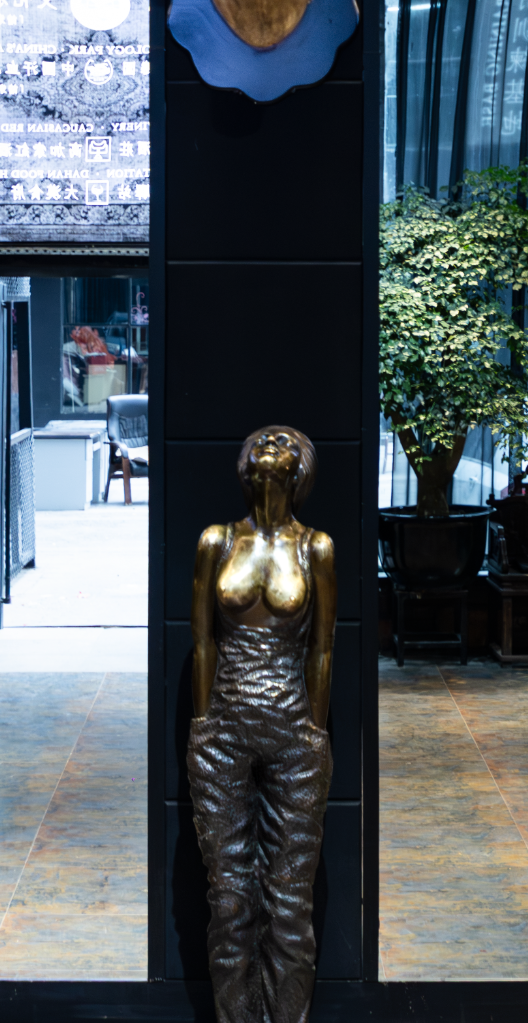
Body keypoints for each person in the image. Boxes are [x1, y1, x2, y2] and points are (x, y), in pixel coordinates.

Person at [187, 426, 337, 1023]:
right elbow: (202, 641)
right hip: (222, 733)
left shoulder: (315, 548)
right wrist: (202, 724)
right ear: (246, 464)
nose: (269, 444)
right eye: (262, 440)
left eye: (283, 441)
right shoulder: (217, 541)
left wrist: (315, 732)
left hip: (293, 735)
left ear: (300, 468)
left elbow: (322, 649)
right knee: (229, 901)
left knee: (290, 901)